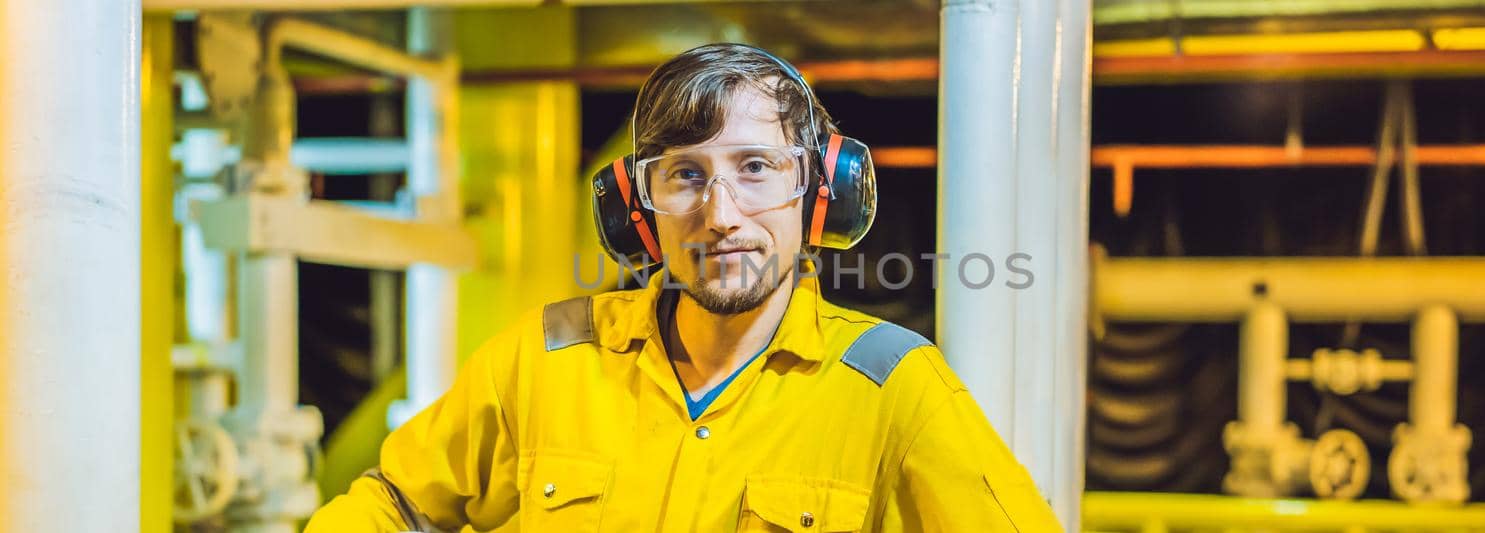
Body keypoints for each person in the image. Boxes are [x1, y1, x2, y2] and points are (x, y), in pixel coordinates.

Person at [306, 42, 1060, 532]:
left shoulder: (895, 388)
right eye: (686, 176)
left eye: (756, 168)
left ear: (821, 193)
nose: (720, 214)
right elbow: (392, 502)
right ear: (637, 209)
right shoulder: (544, 359)